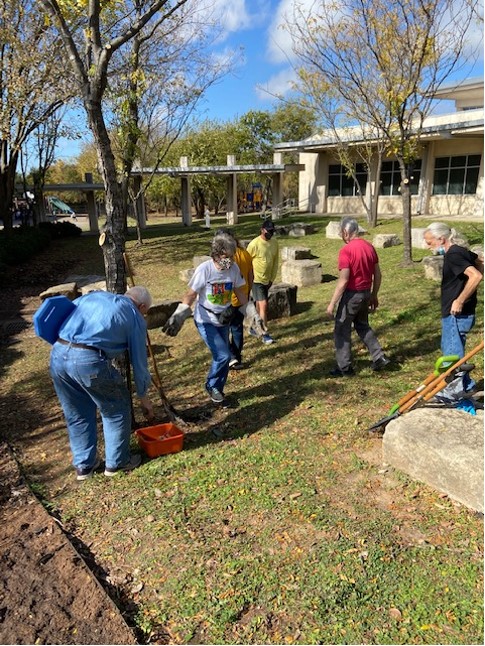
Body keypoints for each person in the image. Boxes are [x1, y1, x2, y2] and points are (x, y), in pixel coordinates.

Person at [49, 286, 155, 481]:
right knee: (116, 408)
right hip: (87, 361)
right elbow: (139, 362)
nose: (143, 315)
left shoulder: (93, 297)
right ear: (141, 306)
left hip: (58, 353)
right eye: (145, 312)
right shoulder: (134, 315)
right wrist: (143, 397)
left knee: (77, 412)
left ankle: (84, 466)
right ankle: (117, 462)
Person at [162, 232, 264, 405]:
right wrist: (180, 313)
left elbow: (240, 294)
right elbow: (191, 294)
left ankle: (218, 391)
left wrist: (252, 313)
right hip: (205, 320)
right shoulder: (205, 270)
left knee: (224, 359)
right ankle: (212, 386)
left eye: (232, 256)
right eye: (227, 257)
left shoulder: (234, 269)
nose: (230, 260)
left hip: (224, 319)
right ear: (216, 254)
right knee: (223, 355)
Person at [423, 222, 483, 400]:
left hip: (456, 314)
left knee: (452, 354)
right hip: (461, 313)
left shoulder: (454, 254)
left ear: (441, 239)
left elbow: (476, 276)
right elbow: (480, 261)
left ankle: (453, 392)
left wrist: (460, 300)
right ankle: (467, 386)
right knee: (454, 350)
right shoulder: (461, 251)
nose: (428, 246)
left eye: (430, 242)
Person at [326, 216, 390, 376]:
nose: (341, 235)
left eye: (341, 232)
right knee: (362, 325)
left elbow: (343, 280)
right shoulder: (369, 247)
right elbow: (378, 274)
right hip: (365, 293)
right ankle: (379, 356)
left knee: (341, 329)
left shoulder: (346, 251)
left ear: (345, 232)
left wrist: (332, 303)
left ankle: (344, 367)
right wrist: (374, 295)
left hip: (351, 295)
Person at [215, 228, 254, 370]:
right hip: (242, 298)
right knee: (237, 328)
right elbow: (251, 276)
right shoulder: (245, 253)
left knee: (222, 329)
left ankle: (231, 357)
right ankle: (236, 357)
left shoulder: (227, 257)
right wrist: (248, 293)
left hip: (228, 299)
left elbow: (221, 276)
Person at [246, 219, 279, 344]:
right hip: (256, 280)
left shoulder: (274, 243)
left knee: (259, 305)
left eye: (272, 231)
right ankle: (265, 334)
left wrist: (272, 278)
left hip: (267, 280)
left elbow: (275, 261)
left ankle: (253, 327)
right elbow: (246, 261)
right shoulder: (254, 244)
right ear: (262, 230)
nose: (270, 234)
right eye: (268, 231)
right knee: (264, 305)